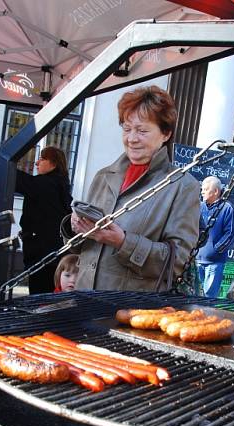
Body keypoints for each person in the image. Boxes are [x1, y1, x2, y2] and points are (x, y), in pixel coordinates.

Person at [70, 86, 199, 291]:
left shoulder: (182, 186)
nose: (132, 138)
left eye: (142, 130)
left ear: (165, 134)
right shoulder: (104, 176)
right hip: (83, 299)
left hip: (133, 312)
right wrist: (75, 227)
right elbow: (83, 248)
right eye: (127, 128)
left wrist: (123, 242)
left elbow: (176, 263)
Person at [0, 146, 73, 294]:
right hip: (49, 252)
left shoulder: (47, 184)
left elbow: (13, 177)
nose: (37, 163)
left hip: (43, 254)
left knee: (40, 295)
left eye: (42, 158)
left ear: (54, 163)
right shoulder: (59, 185)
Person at [197, 176, 234, 298]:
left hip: (214, 262)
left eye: (205, 189)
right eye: (202, 189)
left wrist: (216, 250)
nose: (202, 192)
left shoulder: (227, 208)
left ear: (216, 191)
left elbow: (231, 233)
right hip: (196, 259)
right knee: (194, 295)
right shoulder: (199, 206)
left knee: (209, 297)